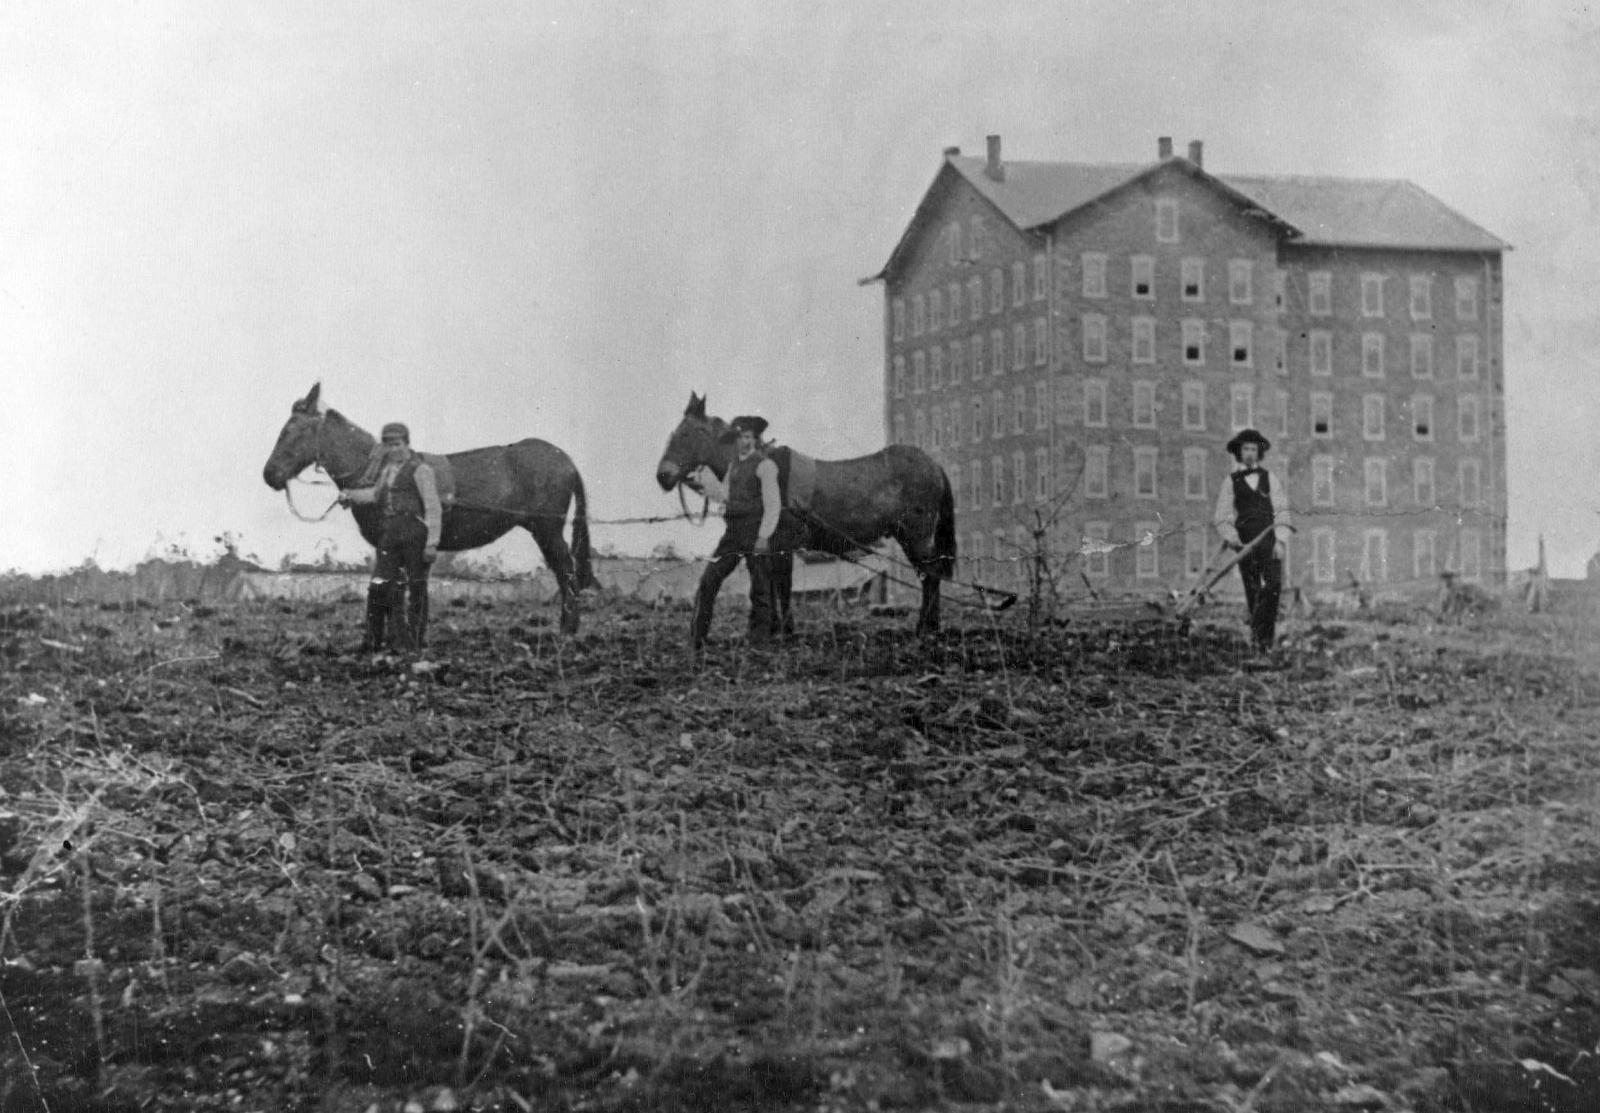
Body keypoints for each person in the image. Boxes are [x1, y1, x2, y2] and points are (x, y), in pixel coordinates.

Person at [339, 422, 442, 652]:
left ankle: (414, 643)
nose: (394, 450)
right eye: (389, 446)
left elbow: (433, 507)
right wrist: (350, 495)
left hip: (415, 534)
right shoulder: (387, 470)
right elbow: (374, 495)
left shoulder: (421, 470)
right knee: (379, 586)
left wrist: (432, 543)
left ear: (406, 443)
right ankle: (373, 641)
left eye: (397, 444)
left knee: (416, 588)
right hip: (391, 534)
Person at [689, 415, 783, 650]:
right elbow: (725, 494)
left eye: (749, 437)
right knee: (709, 579)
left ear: (756, 439)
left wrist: (764, 537)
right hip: (733, 534)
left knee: (760, 588)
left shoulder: (765, 465)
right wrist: (702, 485)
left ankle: (760, 643)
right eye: (740, 437)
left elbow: (773, 505)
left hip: (755, 532)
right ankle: (697, 638)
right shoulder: (734, 466)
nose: (744, 442)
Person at [1212, 428, 1290, 653]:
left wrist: (1281, 541)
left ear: (1259, 452)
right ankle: (1259, 644)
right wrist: (1234, 539)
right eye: (1245, 449)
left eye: (1253, 449)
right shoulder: (1231, 481)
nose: (1249, 453)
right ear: (1239, 452)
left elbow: (1282, 510)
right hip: (1245, 543)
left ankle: (1264, 635)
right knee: (1253, 589)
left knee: (1274, 585)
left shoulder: (1270, 478)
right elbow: (1222, 516)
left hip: (1269, 539)